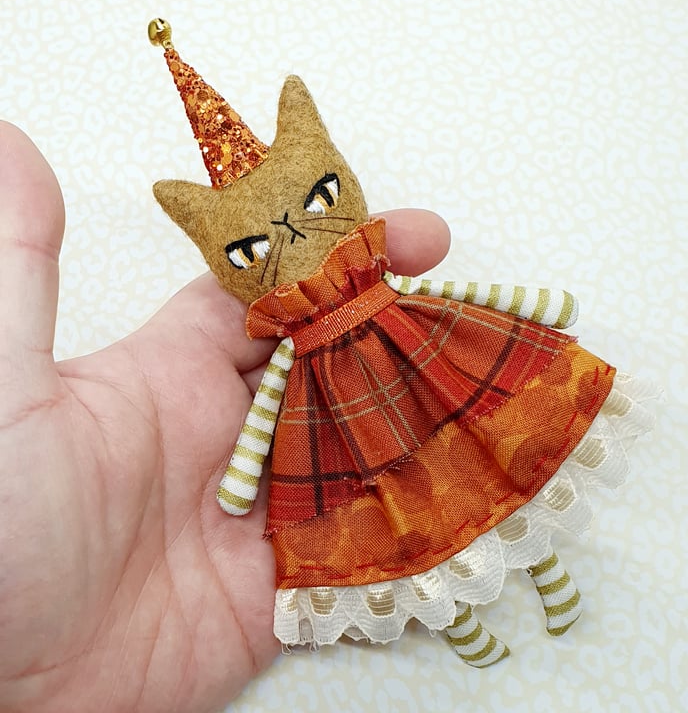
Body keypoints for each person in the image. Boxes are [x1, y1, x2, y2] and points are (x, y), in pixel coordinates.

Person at [0, 121, 450, 713]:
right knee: (415, 507)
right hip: (345, 432)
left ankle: (537, 576)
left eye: (319, 199)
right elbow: (268, 404)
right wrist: (240, 479)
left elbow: (452, 298)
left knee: (484, 458)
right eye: (250, 250)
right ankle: (462, 619)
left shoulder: (377, 291)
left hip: (429, 380)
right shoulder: (291, 347)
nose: (294, 231)